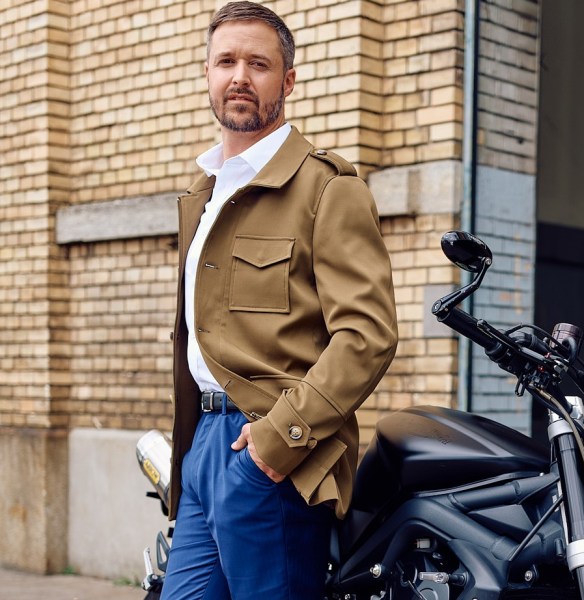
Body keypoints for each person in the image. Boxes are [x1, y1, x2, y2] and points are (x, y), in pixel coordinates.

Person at [160, 2, 398, 598]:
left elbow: (365, 336)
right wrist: (189, 459)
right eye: (226, 62)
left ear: (286, 81)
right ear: (208, 74)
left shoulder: (328, 188)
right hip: (201, 456)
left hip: (271, 453)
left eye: (258, 64)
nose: (239, 76)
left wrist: (278, 440)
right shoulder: (203, 195)